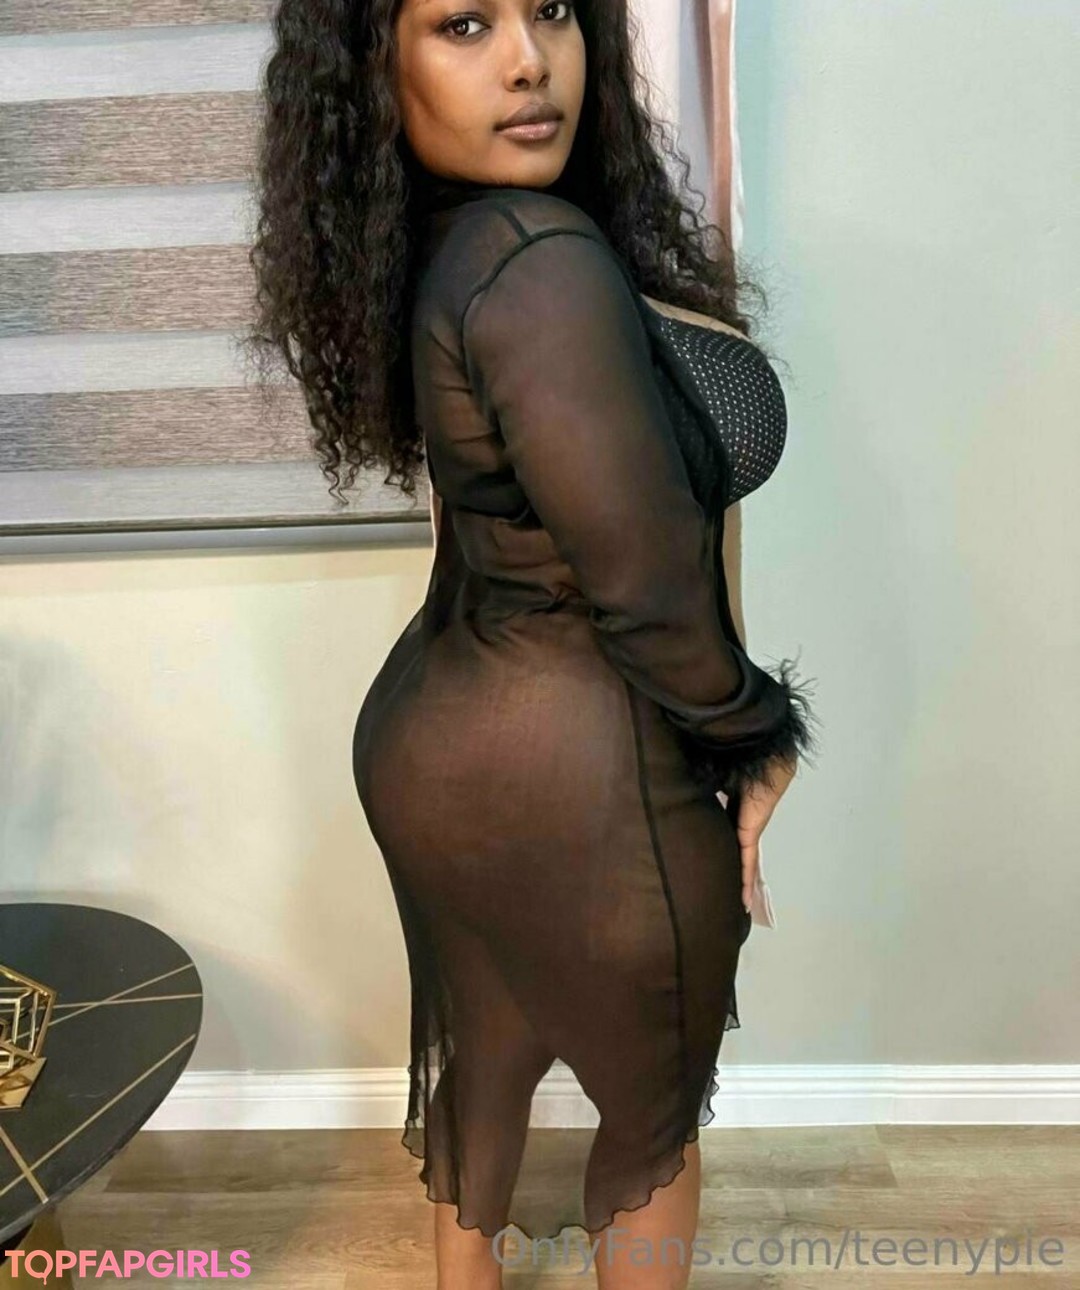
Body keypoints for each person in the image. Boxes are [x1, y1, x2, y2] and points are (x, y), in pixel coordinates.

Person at [246, 2, 818, 1287]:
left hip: (434, 743)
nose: (527, 59)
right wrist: (756, 732)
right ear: (377, 71)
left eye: (551, 9)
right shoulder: (537, 258)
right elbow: (643, 581)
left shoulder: (454, 248)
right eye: (463, 23)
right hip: (579, 767)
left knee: (487, 1054)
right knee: (652, 1122)